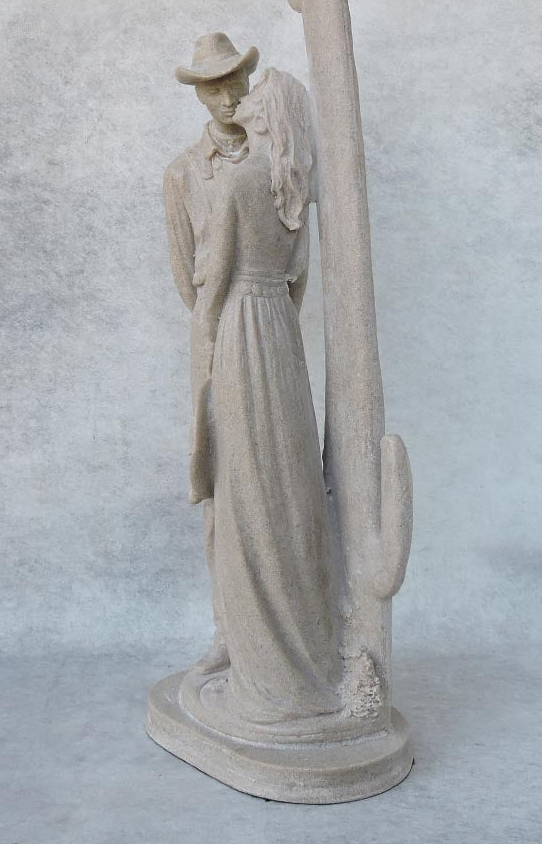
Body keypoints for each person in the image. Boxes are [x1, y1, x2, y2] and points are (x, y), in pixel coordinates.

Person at [192, 67, 340, 724]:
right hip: (280, 331)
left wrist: (209, 347)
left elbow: (215, 280)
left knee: (248, 485)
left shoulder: (238, 182)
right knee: (287, 481)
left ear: (265, 114)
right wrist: (275, 318)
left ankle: (263, 678)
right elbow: (298, 278)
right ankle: (303, 654)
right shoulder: (292, 188)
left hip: (240, 329)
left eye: (255, 94)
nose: (243, 99)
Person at [163, 32, 259, 675]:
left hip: (266, 332)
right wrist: (222, 329)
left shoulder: (276, 157)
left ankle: (280, 631)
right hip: (220, 337)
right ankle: (229, 631)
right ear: (199, 95)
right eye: (215, 87)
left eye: (236, 82)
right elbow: (184, 274)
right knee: (224, 482)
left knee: (272, 477)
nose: (228, 97)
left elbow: (297, 257)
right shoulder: (182, 175)